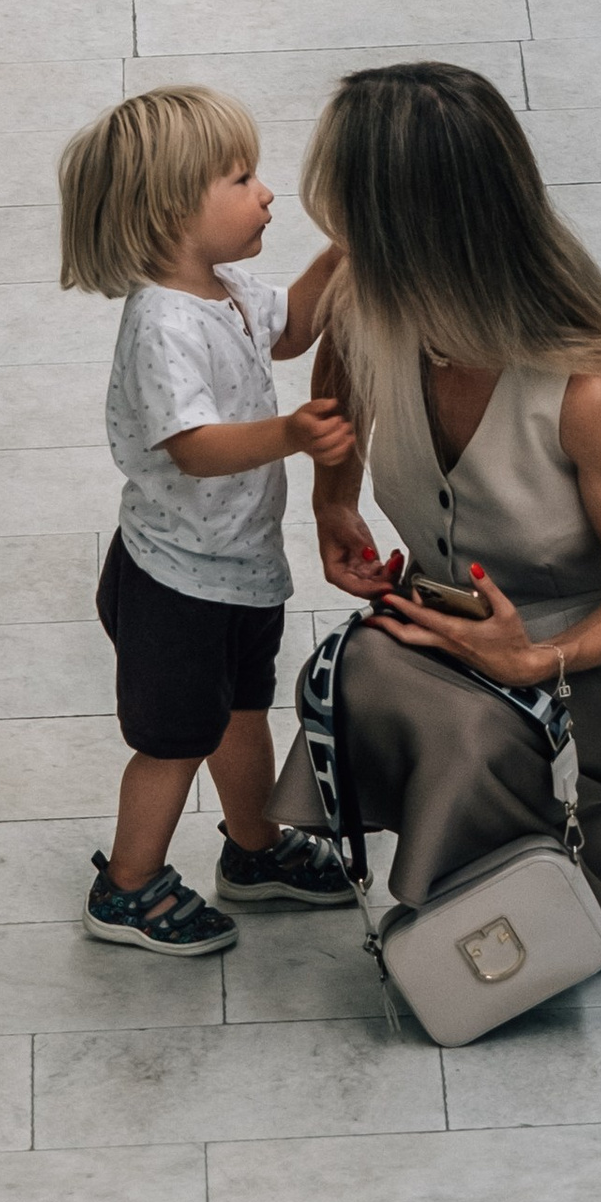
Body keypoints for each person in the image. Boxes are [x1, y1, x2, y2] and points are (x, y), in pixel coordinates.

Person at [271, 60, 601, 959]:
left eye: (353, 223)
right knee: (351, 675)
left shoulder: (593, 389)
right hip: (465, 621)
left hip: (600, 651)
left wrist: (535, 658)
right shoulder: (369, 304)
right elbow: (335, 386)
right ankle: (477, 885)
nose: (334, 242)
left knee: (471, 732)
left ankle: (535, 909)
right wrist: (333, 504)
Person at [59, 83, 364, 955]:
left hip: (233, 567)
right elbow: (191, 445)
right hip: (176, 582)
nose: (265, 191)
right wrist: (290, 434)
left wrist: (344, 249)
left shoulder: (223, 287)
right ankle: (125, 887)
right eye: (241, 177)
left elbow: (295, 328)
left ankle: (254, 850)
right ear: (169, 212)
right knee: (173, 742)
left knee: (241, 711)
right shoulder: (162, 322)